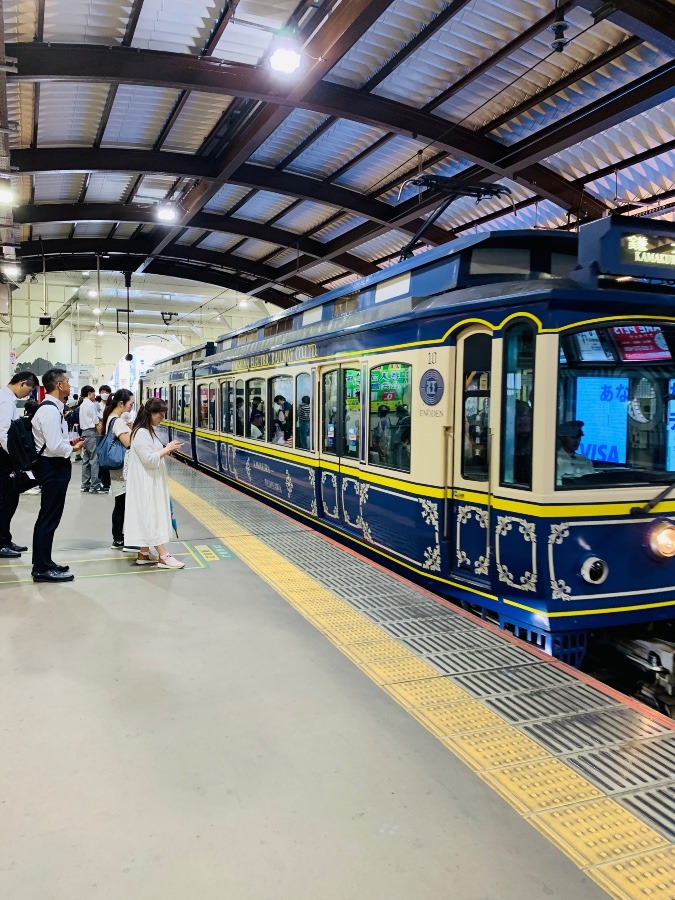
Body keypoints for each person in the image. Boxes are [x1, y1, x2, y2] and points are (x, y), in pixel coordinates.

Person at [31, 369, 86, 582]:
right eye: (68, 382)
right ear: (59, 385)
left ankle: (45, 561)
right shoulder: (50, 411)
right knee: (48, 518)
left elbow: (55, 441)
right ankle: (41, 568)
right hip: (52, 468)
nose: (70, 385)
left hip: (54, 466)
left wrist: (68, 444)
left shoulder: (53, 409)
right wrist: (72, 449)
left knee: (50, 517)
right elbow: (53, 445)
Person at [124, 398, 184, 568]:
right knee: (151, 516)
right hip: (146, 483)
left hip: (150, 480)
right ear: (150, 413)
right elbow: (149, 459)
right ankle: (164, 556)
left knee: (149, 514)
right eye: (160, 413)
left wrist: (166, 450)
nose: (162, 417)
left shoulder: (146, 431)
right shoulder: (142, 433)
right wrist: (167, 449)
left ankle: (143, 554)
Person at [0, 371, 39, 558]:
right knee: (5, 500)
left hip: (7, 458)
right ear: (22, 383)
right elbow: (4, 434)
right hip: (4, 459)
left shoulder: (7, 399)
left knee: (11, 498)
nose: (28, 395)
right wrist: (18, 458)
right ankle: (1, 542)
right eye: (29, 390)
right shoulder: (5, 401)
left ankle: (5, 538)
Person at [101, 389, 134, 550]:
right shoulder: (118, 421)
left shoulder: (111, 419)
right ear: (121, 403)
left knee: (120, 503)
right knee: (122, 503)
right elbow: (129, 443)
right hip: (122, 470)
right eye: (130, 404)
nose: (131, 408)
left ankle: (118, 537)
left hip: (117, 469)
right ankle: (119, 538)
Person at [79, 385, 105, 493]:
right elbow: (95, 420)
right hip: (91, 432)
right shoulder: (91, 405)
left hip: (84, 433)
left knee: (86, 459)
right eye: (94, 393)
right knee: (94, 459)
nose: (95, 395)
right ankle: (95, 485)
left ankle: (85, 484)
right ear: (89, 393)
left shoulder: (82, 404)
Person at [557, 419, 595, 484]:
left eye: (578, 437)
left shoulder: (585, 461)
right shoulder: (556, 461)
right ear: (562, 438)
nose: (576, 441)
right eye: (572, 437)